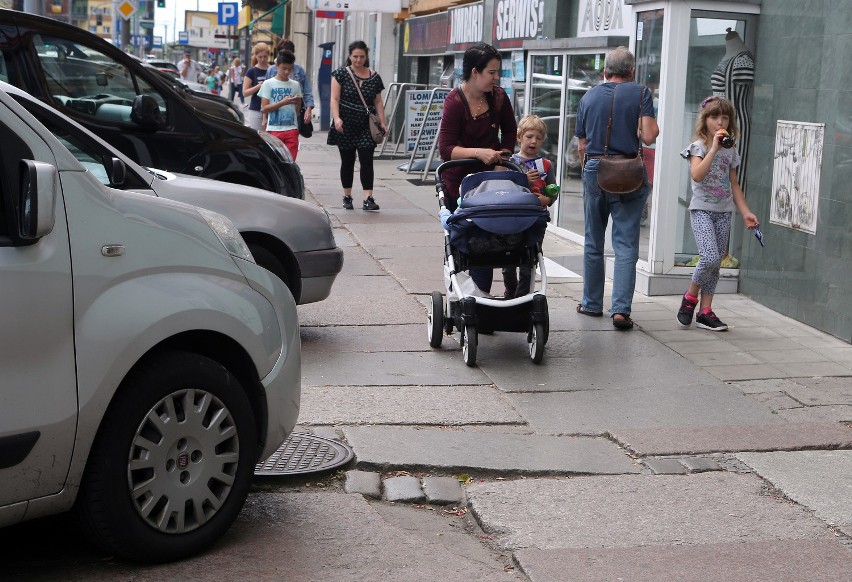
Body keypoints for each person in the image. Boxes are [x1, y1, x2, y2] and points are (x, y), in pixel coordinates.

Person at [575, 46, 659, 330]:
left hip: (595, 169)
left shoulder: (588, 97)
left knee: (593, 241)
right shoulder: (641, 93)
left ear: (605, 72)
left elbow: (582, 145)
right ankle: (621, 310)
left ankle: (591, 303)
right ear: (632, 71)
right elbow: (648, 136)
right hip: (628, 173)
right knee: (625, 245)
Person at [437, 42, 518, 295]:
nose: (496, 78)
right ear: (475, 72)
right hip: (458, 183)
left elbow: (510, 134)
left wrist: (500, 160)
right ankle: (462, 296)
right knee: (463, 241)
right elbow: (446, 149)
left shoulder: (499, 97)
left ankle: (480, 298)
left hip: (490, 181)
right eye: (491, 72)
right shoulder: (455, 101)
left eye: (498, 72)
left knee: (486, 239)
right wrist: (478, 153)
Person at [676, 96, 759, 331]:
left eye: (724, 117)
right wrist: (713, 147)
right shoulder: (698, 147)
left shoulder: (731, 151)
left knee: (716, 265)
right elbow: (697, 175)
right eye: (714, 116)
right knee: (710, 257)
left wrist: (746, 213)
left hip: (724, 212)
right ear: (705, 120)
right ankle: (690, 299)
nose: (719, 121)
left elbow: (734, 185)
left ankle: (705, 311)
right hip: (702, 209)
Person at [327, 40, 388, 211]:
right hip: (345, 124)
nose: (358, 60)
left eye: (362, 56)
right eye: (355, 56)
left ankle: (368, 198)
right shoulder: (340, 74)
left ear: (366, 57)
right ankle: (347, 196)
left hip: (365, 126)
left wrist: (383, 122)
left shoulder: (374, 77)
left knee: (367, 160)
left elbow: (378, 101)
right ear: (349, 56)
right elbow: (334, 99)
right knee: (347, 161)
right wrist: (337, 118)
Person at [505, 114, 556, 298]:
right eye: (529, 137)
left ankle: (522, 298)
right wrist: (523, 179)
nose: (533, 141)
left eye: (539, 138)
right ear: (519, 137)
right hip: (512, 218)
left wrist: (547, 200)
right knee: (508, 259)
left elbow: (553, 190)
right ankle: (510, 291)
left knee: (529, 259)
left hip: (536, 218)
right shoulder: (510, 162)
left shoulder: (546, 165)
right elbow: (505, 187)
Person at [259, 50, 302, 161]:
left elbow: (298, 108)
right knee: (275, 162)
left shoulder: (295, 85)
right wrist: (283, 102)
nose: (287, 72)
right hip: (273, 130)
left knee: (290, 163)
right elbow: (264, 108)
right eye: (284, 68)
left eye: (290, 69)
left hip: (292, 129)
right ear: (277, 65)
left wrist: (297, 103)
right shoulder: (268, 84)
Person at [268, 39, 314, 134]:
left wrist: (308, 110)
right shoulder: (271, 70)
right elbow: (266, 96)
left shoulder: (299, 71)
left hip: (294, 113)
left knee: (292, 140)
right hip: (275, 113)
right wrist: (265, 117)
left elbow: (307, 92)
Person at [243, 42, 272, 131]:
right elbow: (245, 92)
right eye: (260, 57)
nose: (263, 59)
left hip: (271, 108)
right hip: (256, 109)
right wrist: (258, 87)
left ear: (268, 56)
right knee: (258, 136)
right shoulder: (251, 71)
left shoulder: (272, 70)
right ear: (255, 56)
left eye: (265, 57)